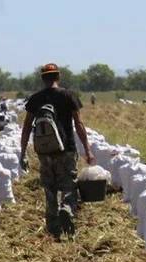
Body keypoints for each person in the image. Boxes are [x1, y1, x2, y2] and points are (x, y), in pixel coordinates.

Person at [19, 63, 93, 240]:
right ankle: (67, 209)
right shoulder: (69, 96)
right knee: (69, 185)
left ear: (43, 78)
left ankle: (53, 229)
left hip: (44, 151)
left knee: (49, 188)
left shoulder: (36, 99)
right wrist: (87, 150)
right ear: (58, 77)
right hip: (66, 149)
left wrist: (22, 152)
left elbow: (27, 126)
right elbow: (78, 123)